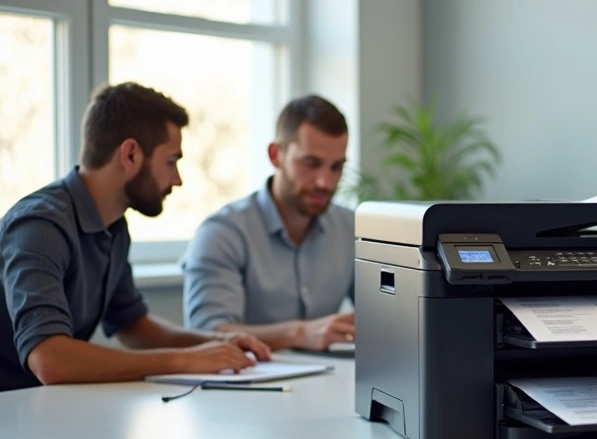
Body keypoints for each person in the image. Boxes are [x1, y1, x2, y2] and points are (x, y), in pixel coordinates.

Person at [0, 82, 271, 394]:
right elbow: (51, 360)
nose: (177, 179)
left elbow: (132, 326)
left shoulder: (113, 226)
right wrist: (182, 360)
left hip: (38, 409)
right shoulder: (40, 225)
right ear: (130, 154)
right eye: (171, 161)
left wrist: (216, 342)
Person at [181, 95, 355, 352]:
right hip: (246, 384)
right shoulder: (222, 233)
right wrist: (299, 333)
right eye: (311, 163)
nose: (325, 182)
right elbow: (207, 332)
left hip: (333, 383)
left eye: (336, 167)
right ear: (276, 155)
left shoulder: (351, 228)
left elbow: (385, 319)